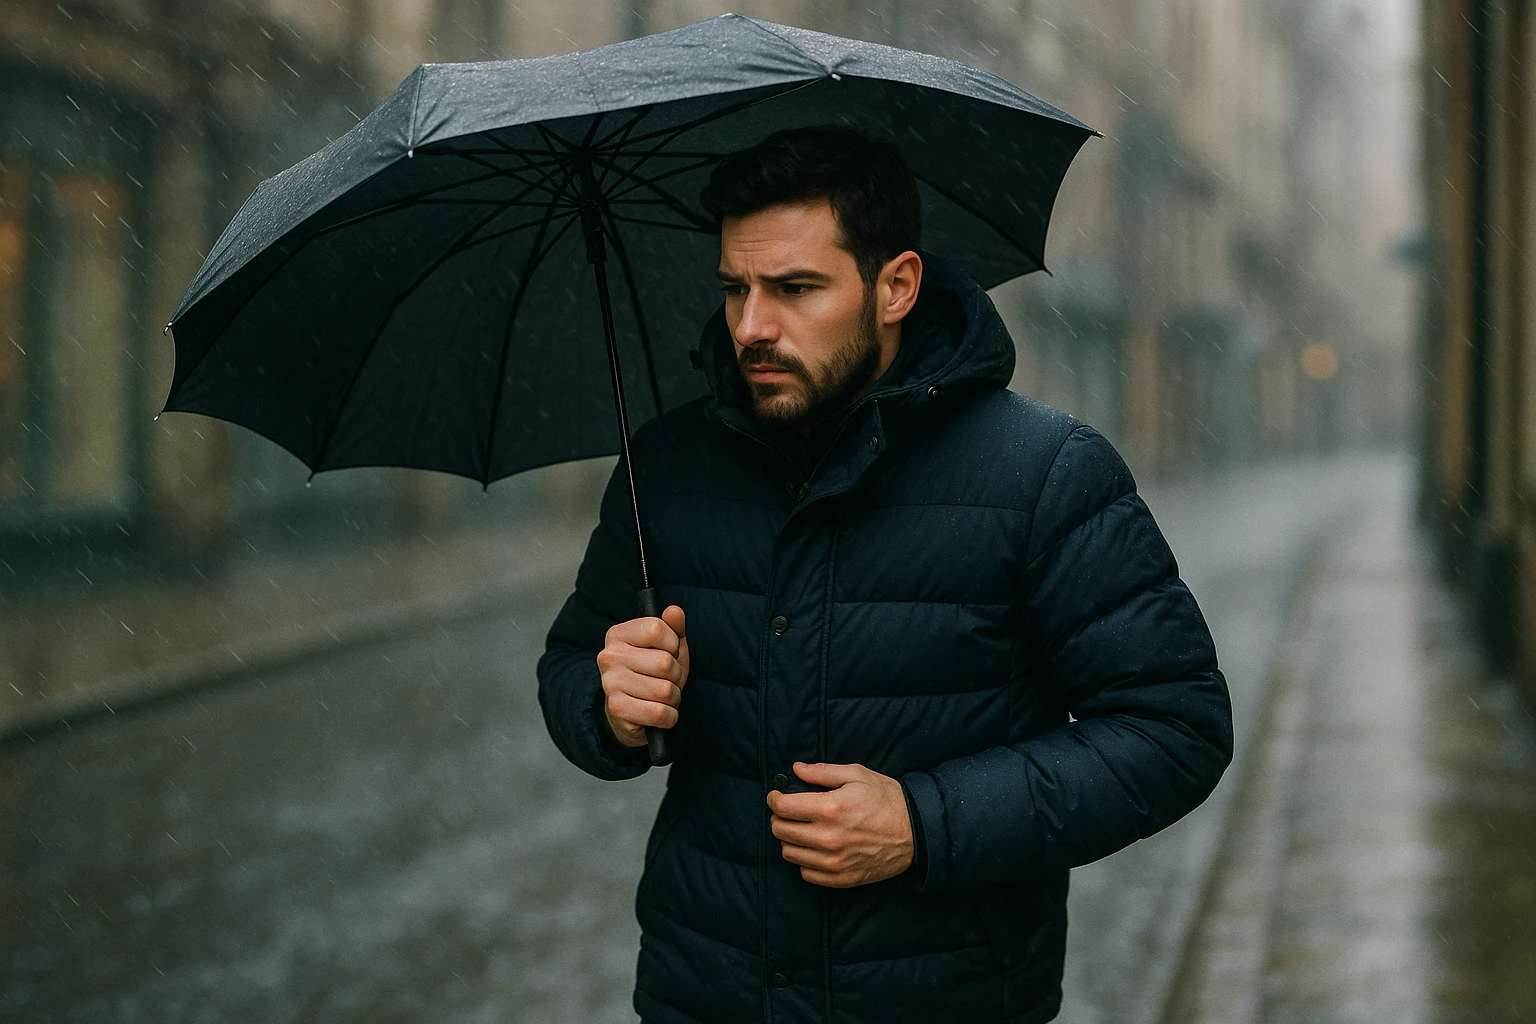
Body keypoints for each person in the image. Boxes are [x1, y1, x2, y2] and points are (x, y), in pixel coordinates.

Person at [537, 124, 1233, 1024]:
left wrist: (923, 824)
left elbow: (1173, 729)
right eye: (735, 288)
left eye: (795, 289)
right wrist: (609, 705)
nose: (751, 326)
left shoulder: (1043, 473)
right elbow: (568, 666)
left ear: (896, 285)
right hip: (702, 994)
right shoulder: (666, 469)